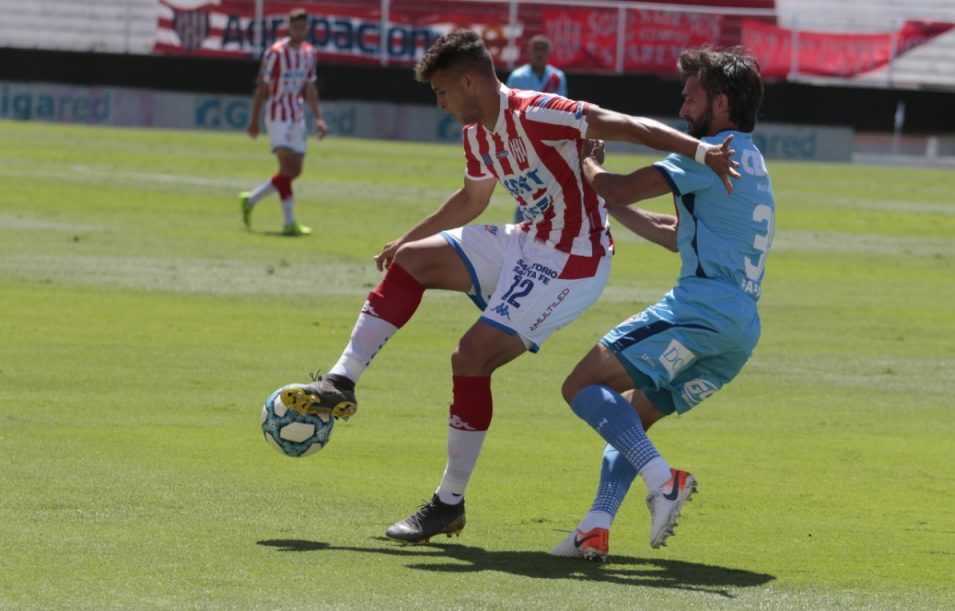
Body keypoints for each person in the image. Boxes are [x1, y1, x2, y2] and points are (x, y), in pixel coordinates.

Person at [281, 30, 739, 545]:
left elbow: (625, 125)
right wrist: (406, 238)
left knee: (470, 357)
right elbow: (471, 201)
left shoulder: (538, 111)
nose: (440, 103)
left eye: (442, 92)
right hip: (526, 242)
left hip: (574, 259)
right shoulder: (477, 133)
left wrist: (700, 151)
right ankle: (341, 381)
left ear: (470, 82)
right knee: (411, 262)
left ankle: (447, 503)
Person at [549, 47, 773, 562]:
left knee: (581, 384)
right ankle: (596, 527)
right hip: (737, 332)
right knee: (632, 418)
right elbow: (679, 235)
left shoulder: (709, 152)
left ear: (720, 102)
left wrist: (587, 160)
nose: (681, 106)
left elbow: (618, 183)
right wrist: (615, 207)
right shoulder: (751, 158)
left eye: (690, 96)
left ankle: (663, 480)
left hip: (698, 312)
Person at [238, 7, 327, 236]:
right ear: (290, 28)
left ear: (307, 28)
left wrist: (318, 117)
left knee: (295, 171)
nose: (299, 31)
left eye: (302, 27)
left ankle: (251, 199)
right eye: (295, 27)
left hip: (296, 114)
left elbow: (309, 87)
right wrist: (254, 120)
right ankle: (289, 222)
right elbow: (262, 87)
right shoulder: (275, 53)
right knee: (287, 168)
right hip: (277, 114)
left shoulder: (309, 53)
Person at [506, 34, 568, 223]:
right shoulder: (517, 76)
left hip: (550, 138)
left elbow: (562, 107)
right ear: (529, 52)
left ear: (549, 52)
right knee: (527, 184)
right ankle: (522, 226)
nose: (539, 53)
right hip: (524, 137)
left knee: (550, 183)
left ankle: (548, 224)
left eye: (543, 49)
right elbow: (508, 107)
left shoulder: (557, 77)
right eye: (536, 49)